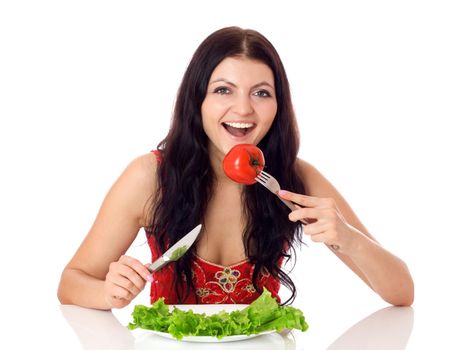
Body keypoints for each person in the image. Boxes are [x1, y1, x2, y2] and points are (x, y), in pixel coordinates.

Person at [57, 27, 414, 310]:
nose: (243, 109)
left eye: (261, 93)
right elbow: (71, 282)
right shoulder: (150, 177)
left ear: (279, 106)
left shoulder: (294, 179)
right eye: (224, 90)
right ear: (197, 101)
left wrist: (348, 238)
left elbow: (401, 292)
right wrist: (109, 293)